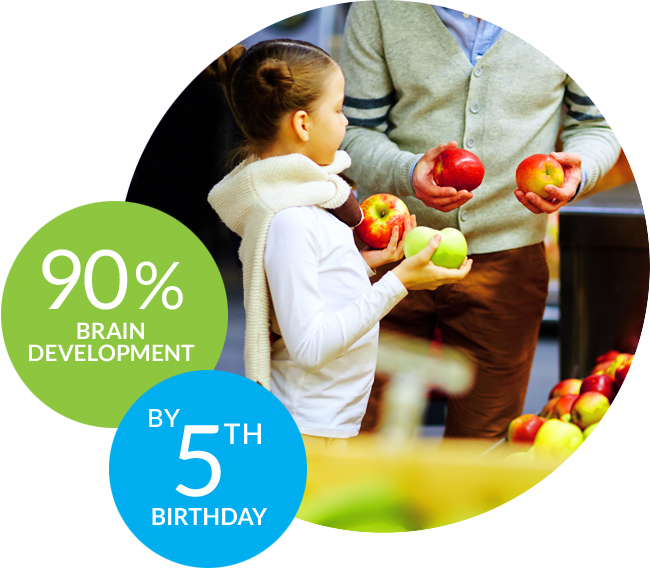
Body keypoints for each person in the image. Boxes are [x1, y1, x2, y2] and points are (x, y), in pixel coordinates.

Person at [339, 2, 621, 439]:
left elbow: (600, 125)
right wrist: (407, 171)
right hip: (388, 253)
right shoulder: (382, 7)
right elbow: (351, 128)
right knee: (359, 433)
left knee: (482, 446)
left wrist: (579, 172)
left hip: (508, 260)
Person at [207, 39, 472, 443]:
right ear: (301, 124)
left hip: (326, 422)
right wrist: (399, 282)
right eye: (338, 108)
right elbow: (310, 347)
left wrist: (366, 265)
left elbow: (313, 288)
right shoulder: (290, 219)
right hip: (305, 430)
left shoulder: (312, 198)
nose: (346, 121)